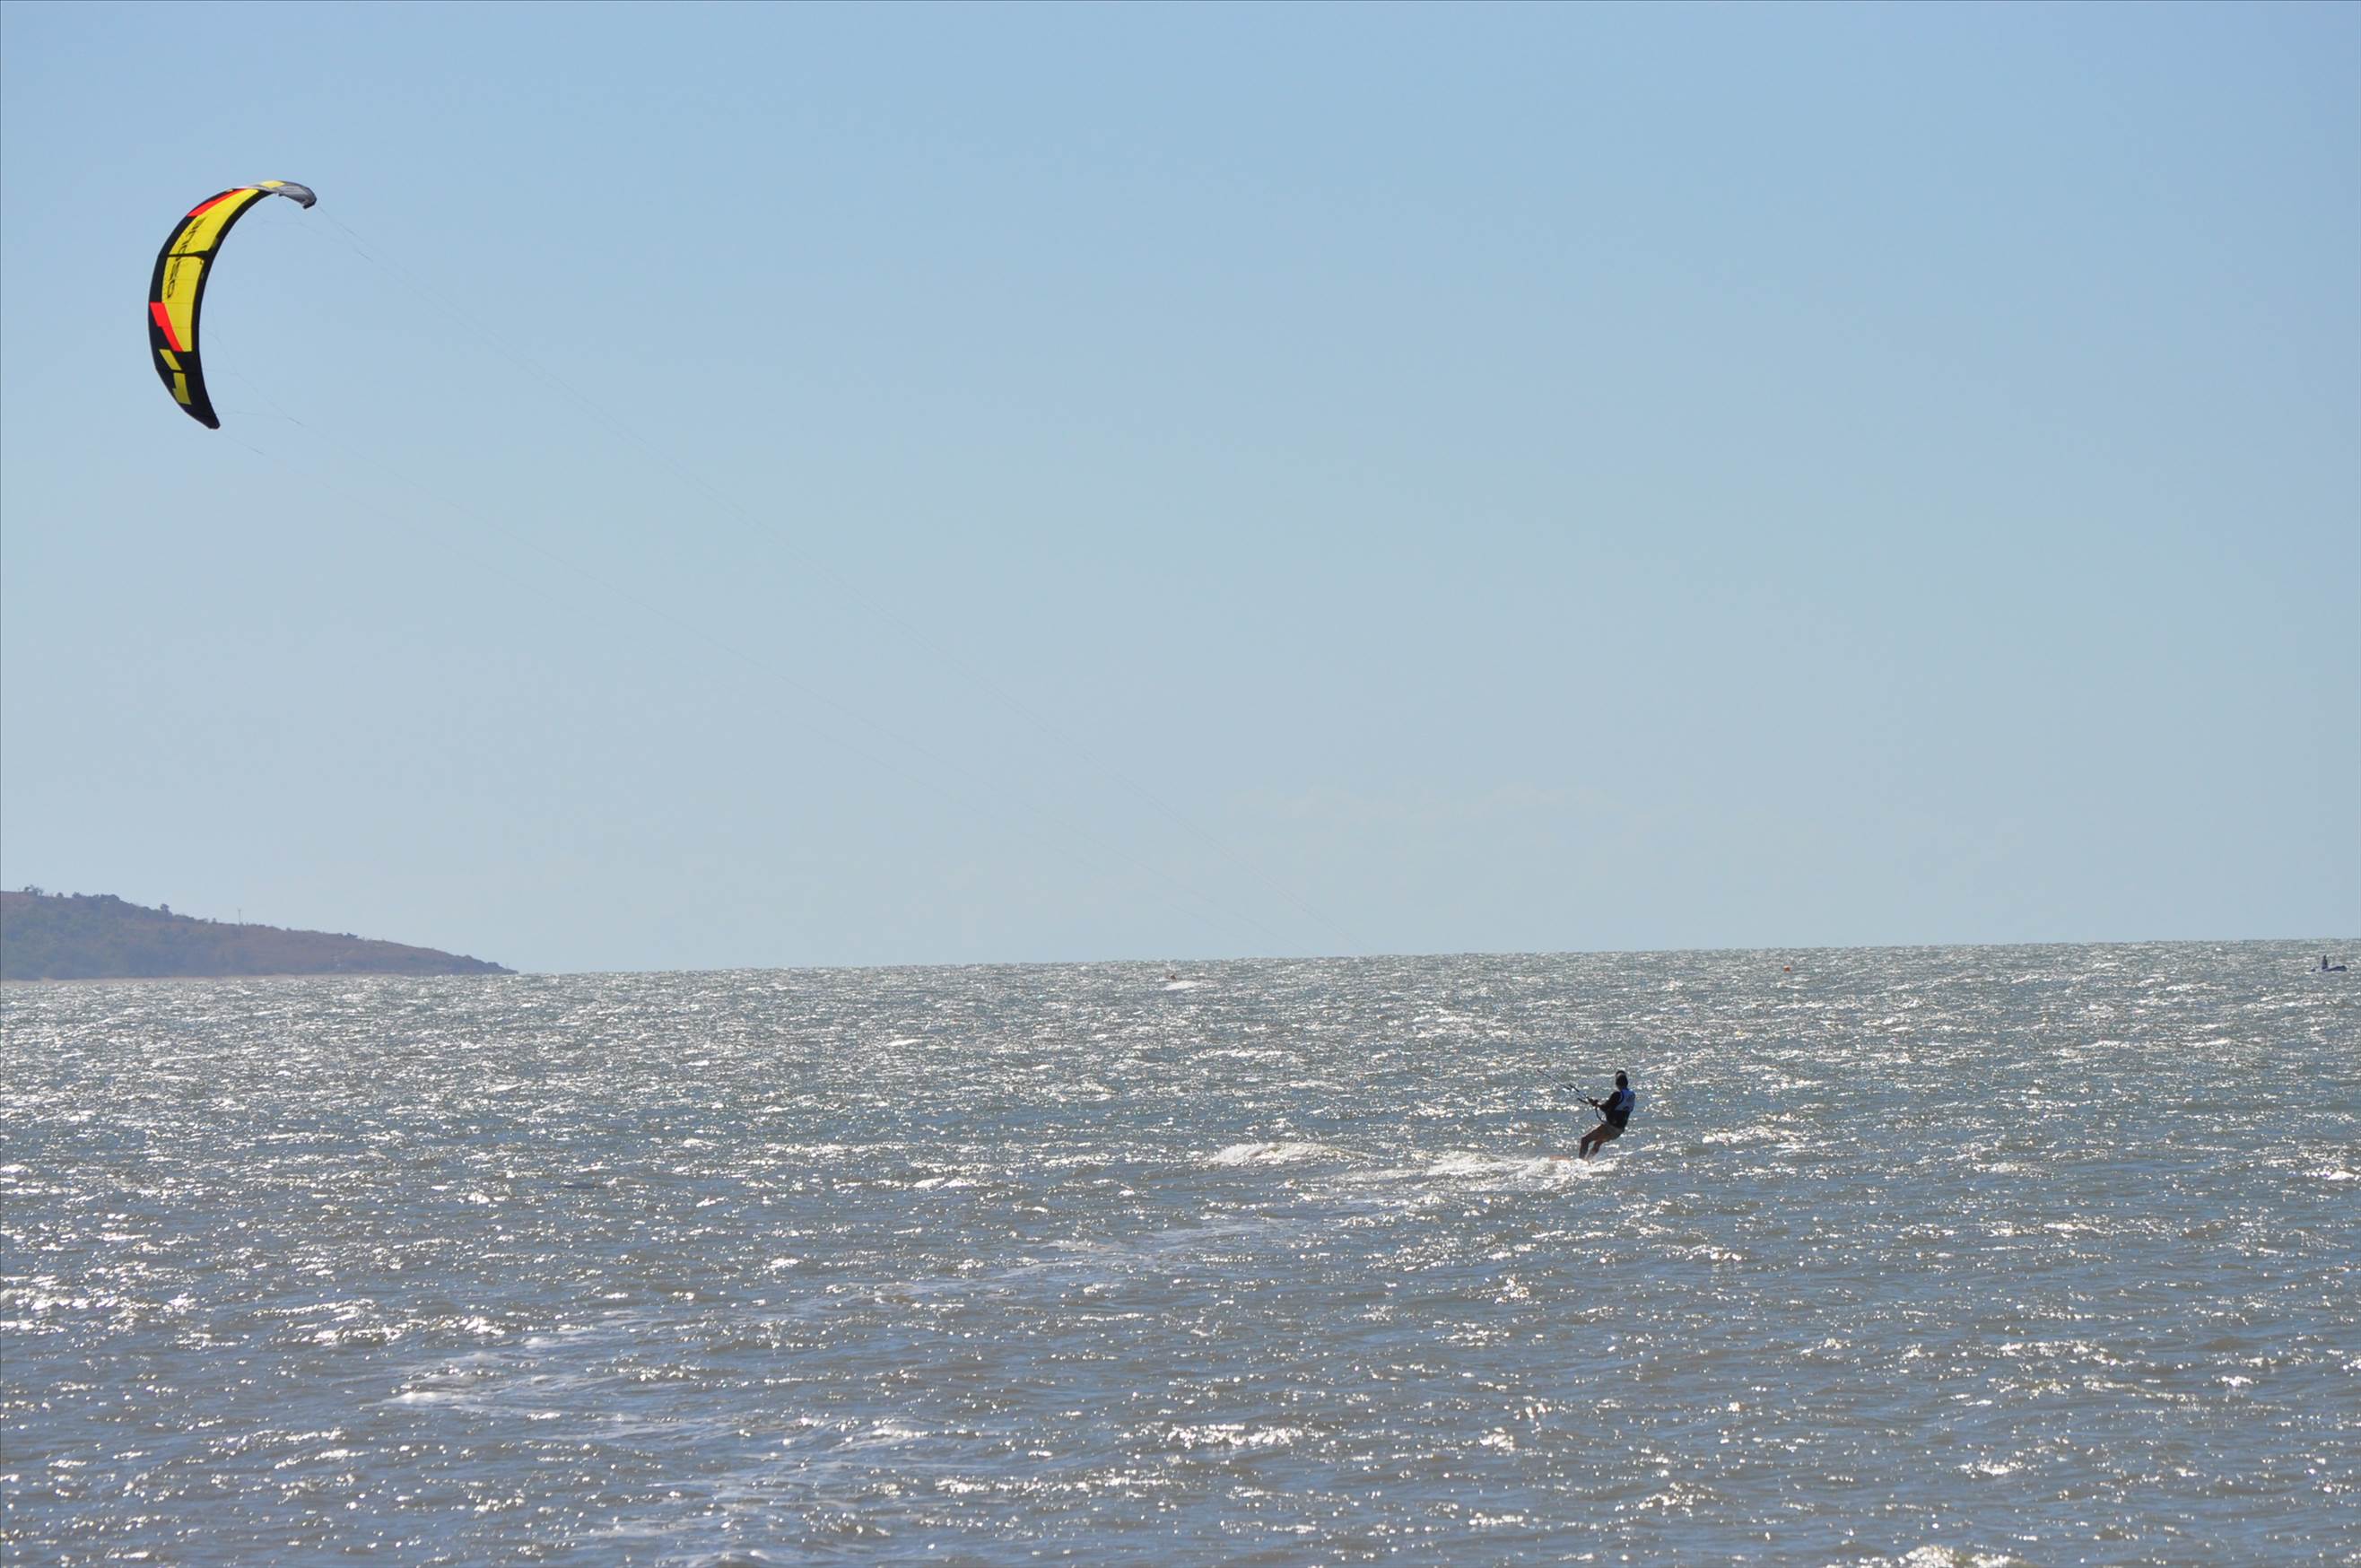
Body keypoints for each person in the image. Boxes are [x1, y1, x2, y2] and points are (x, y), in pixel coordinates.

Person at [1580, 1070, 1636, 1159]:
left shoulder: (1617, 1094)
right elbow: (1618, 1108)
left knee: (1585, 1140)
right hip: (1619, 1130)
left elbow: (1605, 1108)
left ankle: (1581, 1162)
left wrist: (1595, 1104)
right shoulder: (1631, 1095)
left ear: (1616, 1083)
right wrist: (1597, 1104)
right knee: (1597, 1143)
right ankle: (1587, 1161)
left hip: (1609, 1128)